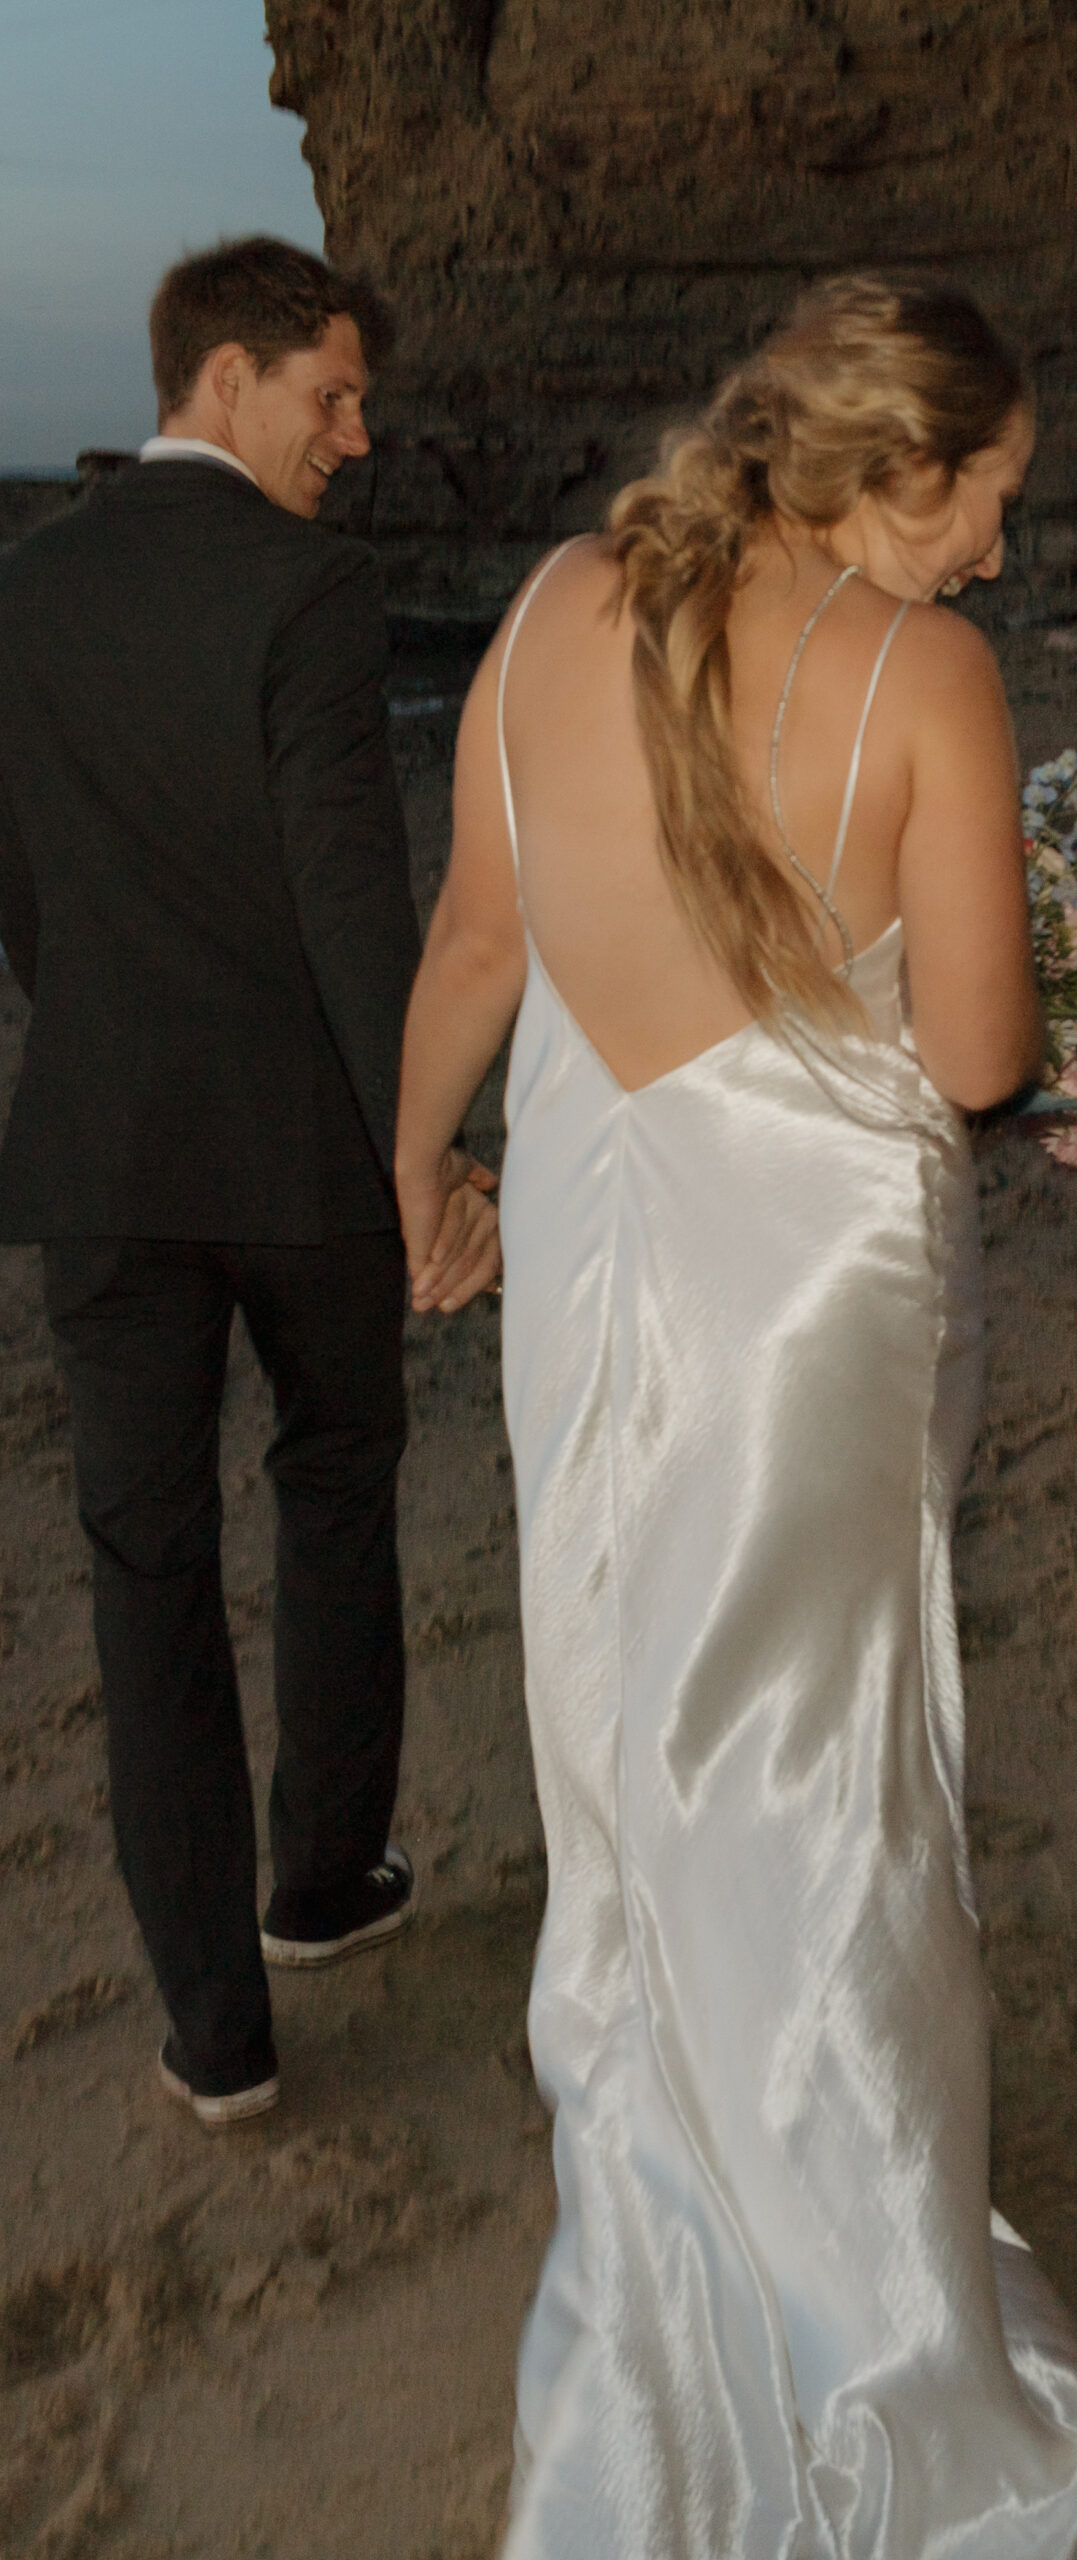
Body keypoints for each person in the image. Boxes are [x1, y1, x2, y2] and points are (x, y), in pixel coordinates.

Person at [396, 274, 1077, 2555]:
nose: (999, 550)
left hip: (597, 1250)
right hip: (806, 1281)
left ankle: (671, 2275)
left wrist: (416, 1168)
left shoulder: (544, 603)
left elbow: (477, 947)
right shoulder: (928, 677)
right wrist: (1068, 1013)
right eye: (987, 501)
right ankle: (887, 2363)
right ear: (894, 470)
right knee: (816, 1783)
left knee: (623, 1738)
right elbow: (983, 1058)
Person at [0, 237, 499, 2131]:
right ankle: (321, 1883)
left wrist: (112, 1029)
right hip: (299, 1154)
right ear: (224, 380)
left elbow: (23, 894)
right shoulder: (307, 589)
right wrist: (425, 1157)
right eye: (331, 398)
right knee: (336, 1485)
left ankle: (215, 2033)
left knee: (144, 1577)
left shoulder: (22, 592)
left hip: (105, 1157)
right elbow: (351, 898)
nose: (357, 439)